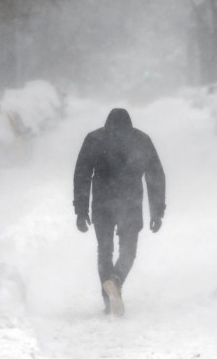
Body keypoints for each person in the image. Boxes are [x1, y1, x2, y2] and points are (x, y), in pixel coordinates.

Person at [73, 108, 166, 316]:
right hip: (130, 203)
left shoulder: (95, 139)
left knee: (104, 251)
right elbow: (155, 176)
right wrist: (157, 211)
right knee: (128, 251)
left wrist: (81, 210)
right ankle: (116, 280)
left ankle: (108, 297)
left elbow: (82, 176)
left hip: (102, 203)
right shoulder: (141, 140)